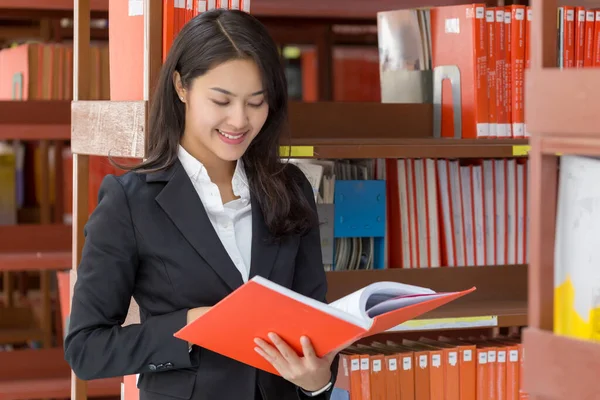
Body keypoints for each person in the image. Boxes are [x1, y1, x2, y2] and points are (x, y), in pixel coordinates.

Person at [64, 8, 338, 400]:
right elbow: (85, 349)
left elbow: (315, 326)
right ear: (181, 87)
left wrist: (318, 384)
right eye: (221, 100)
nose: (239, 120)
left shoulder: (291, 189)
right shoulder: (130, 202)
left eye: (256, 102)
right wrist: (192, 325)